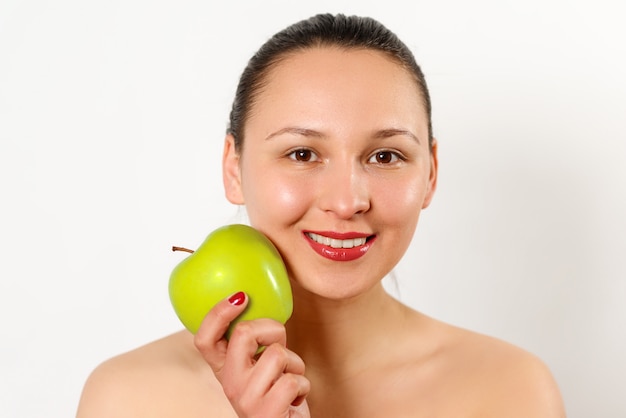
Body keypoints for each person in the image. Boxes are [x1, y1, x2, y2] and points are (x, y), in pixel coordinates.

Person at [76, 13, 566, 417]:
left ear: (431, 174)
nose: (347, 200)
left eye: (385, 156)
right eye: (302, 154)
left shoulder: (511, 392)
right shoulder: (128, 399)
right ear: (234, 168)